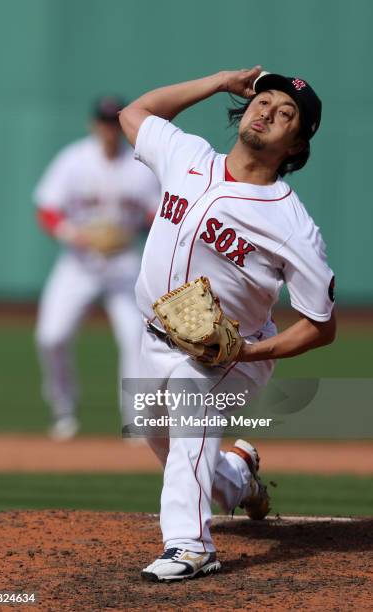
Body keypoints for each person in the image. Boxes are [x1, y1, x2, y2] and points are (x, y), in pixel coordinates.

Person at [119, 66, 336, 581]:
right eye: (265, 101)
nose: (268, 112)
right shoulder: (189, 157)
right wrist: (217, 81)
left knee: (191, 408)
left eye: (287, 114)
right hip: (153, 337)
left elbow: (320, 325)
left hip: (230, 354)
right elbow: (136, 114)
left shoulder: (291, 226)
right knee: (161, 437)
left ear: (296, 145)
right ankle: (238, 477)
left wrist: (247, 354)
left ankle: (191, 546)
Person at [35, 97, 160, 440]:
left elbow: (159, 213)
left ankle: (137, 423)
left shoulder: (141, 165)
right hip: (79, 264)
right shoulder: (74, 160)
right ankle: (63, 410)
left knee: (135, 337)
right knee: (51, 337)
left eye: (114, 122)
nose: (108, 129)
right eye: (103, 122)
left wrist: (130, 231)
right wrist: (75, 234)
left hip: (124, 263)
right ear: (94, 125)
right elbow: (46, 208)